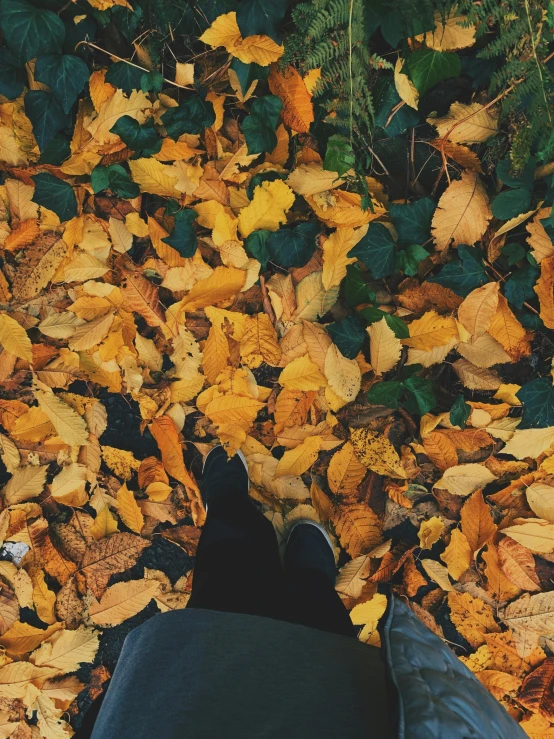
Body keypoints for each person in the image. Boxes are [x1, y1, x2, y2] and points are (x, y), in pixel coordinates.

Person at [84, 446, 526, 739]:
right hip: (344, 712)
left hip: (192, 710)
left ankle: (229, 506)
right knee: (317, 622)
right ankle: (308, 579)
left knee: (225, 590)